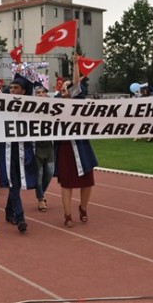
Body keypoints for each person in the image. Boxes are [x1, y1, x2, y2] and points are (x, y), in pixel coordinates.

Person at [54, 55, 98, 227]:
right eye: (64, 86)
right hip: (65, 146)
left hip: (81, 145)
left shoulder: (78, 102)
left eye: (69, 86)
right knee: (67, 183)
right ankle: (67, 215)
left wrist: (75, 64)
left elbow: (77, 83)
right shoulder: (55, 103)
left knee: (87, 181)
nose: (67, 88)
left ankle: (83, 207)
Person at [0, 74, 37, 233]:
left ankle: (8, 211)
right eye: (11, 87)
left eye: (16, 88)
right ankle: (20, 218)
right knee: (13, 182)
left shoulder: (31, 106)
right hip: (6, 149)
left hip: (23, 148)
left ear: (24, 91)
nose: (12, 90)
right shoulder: (3, 104)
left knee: (17, 183)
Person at [33, 84, 54, 212]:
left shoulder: (52, 108)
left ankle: (41, 192)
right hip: (36, 146)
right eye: (38, 93)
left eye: (42, 92)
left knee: (50, 173)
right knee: (39, 174)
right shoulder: (29, 109)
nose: (40, 94)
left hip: (49, 146)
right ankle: (41, 199)